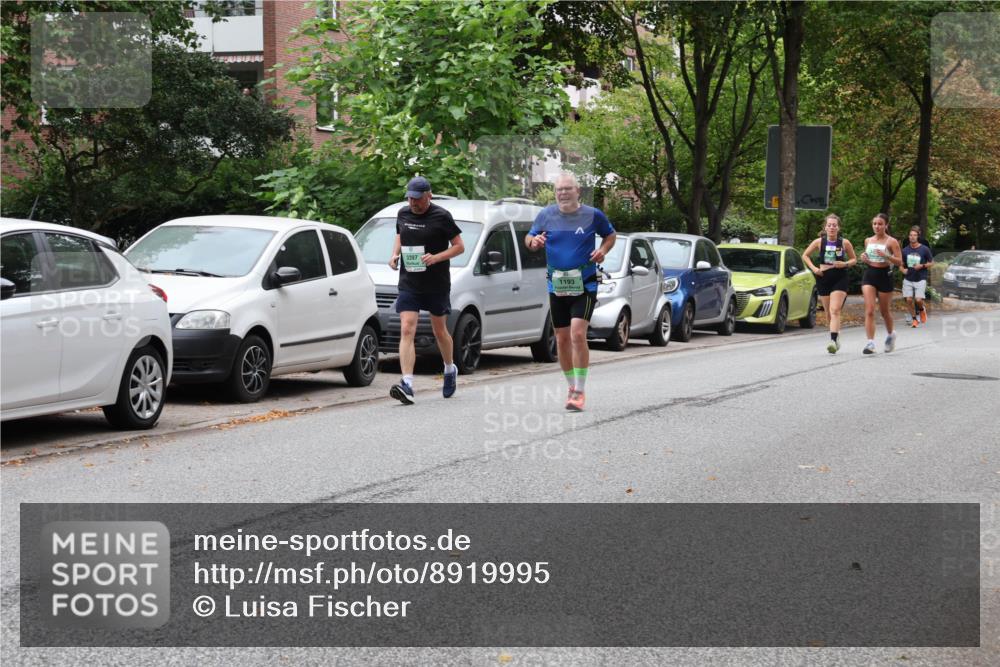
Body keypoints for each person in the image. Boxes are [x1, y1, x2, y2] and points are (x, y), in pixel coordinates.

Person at [525, 173, 616, 411]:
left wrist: (603, 251)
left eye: (567, 189)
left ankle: (580, 390)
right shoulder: (546, 215)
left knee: (577, 334)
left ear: (578, 192)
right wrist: (533, 242)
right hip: (556, 285)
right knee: (562, 338)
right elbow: (530, 237)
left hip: (585, 284)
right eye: (559, 190)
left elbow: (610, 235)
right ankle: (571, 385)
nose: (563, 193)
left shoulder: (592, 215)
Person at [388, 176, 464, 404]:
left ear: (428, 195)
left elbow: (459, 247)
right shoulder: (403, 213)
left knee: (439, 331)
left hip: (436, 282)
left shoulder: (442, 216)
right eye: (410, 198)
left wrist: (436, 257)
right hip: (410, 281)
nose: (413, 203)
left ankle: (449, 369)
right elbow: (400, 235)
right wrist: (394, 255)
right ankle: (407, 384)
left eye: (417, 199)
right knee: (407, 328)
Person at [802, 213, 856, 354]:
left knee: (835, 310)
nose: (832, 227)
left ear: (838, 228)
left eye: (834, 225)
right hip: (824, 278)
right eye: (829, 225)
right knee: (828, 314)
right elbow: (805, 255)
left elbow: (854, 260)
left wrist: (844, 263)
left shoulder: (844, 243)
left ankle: (832, 341)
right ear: (825, 227)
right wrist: (814, 269)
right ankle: (836, 336)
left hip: (840, 277)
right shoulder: (819, 242)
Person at [859, 213, 903, 354]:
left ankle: (891, 335)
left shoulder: (892, 242)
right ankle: (870, 343)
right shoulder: (868, 240)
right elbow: (870, 259)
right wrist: (865, 259)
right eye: (875, 224)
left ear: (886, 225)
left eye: (880, 224)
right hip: (870, 275)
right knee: (870, 310)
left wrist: (887, 256)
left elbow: (899, 262)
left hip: (885, 276)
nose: (877, 226)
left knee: (885, 311)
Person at [901, 225, 933, 327]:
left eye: (914, 235)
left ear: (918, 236)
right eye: (911, 235)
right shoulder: (904, 250)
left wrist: (922, 266)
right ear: (909, 237)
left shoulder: (924, 249)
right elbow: (901, 264)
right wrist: (903, 270)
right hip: (908, 277)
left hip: (920, 277)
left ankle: (922, 310)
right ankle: (914, 319)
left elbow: (931, 262)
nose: (912, 237)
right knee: (909, 299)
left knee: (918, 300)